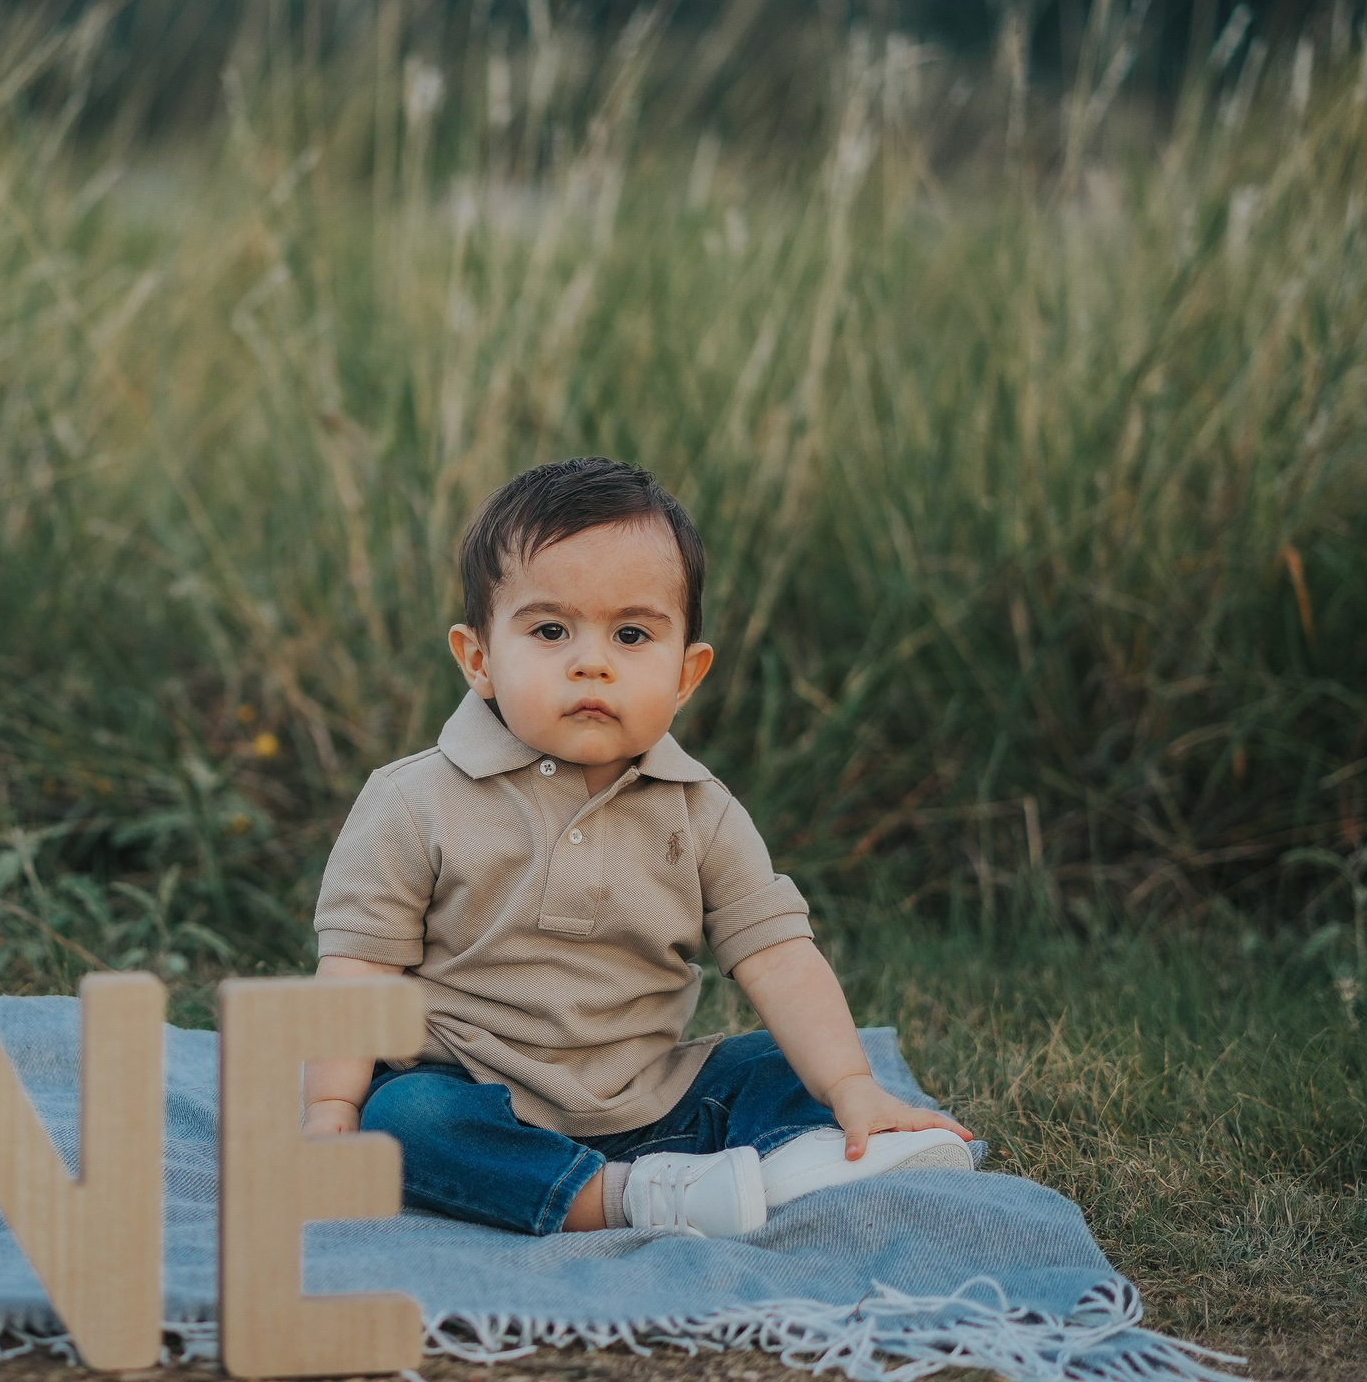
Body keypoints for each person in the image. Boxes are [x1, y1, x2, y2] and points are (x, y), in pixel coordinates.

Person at [302, 457, 975, 1238]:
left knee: (781, 1063)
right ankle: (631, 1199)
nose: (593, 661)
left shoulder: (702, 812)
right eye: (550, 630)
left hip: (654, 1099)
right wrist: (330, 1110)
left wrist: (851, 1081)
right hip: (473, 1090)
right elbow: (358, 968)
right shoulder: (414, 801)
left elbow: (780, 957)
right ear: (479, 658)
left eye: (631, 634)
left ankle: (813, 1151)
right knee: (404, 1119)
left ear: (687, 673)